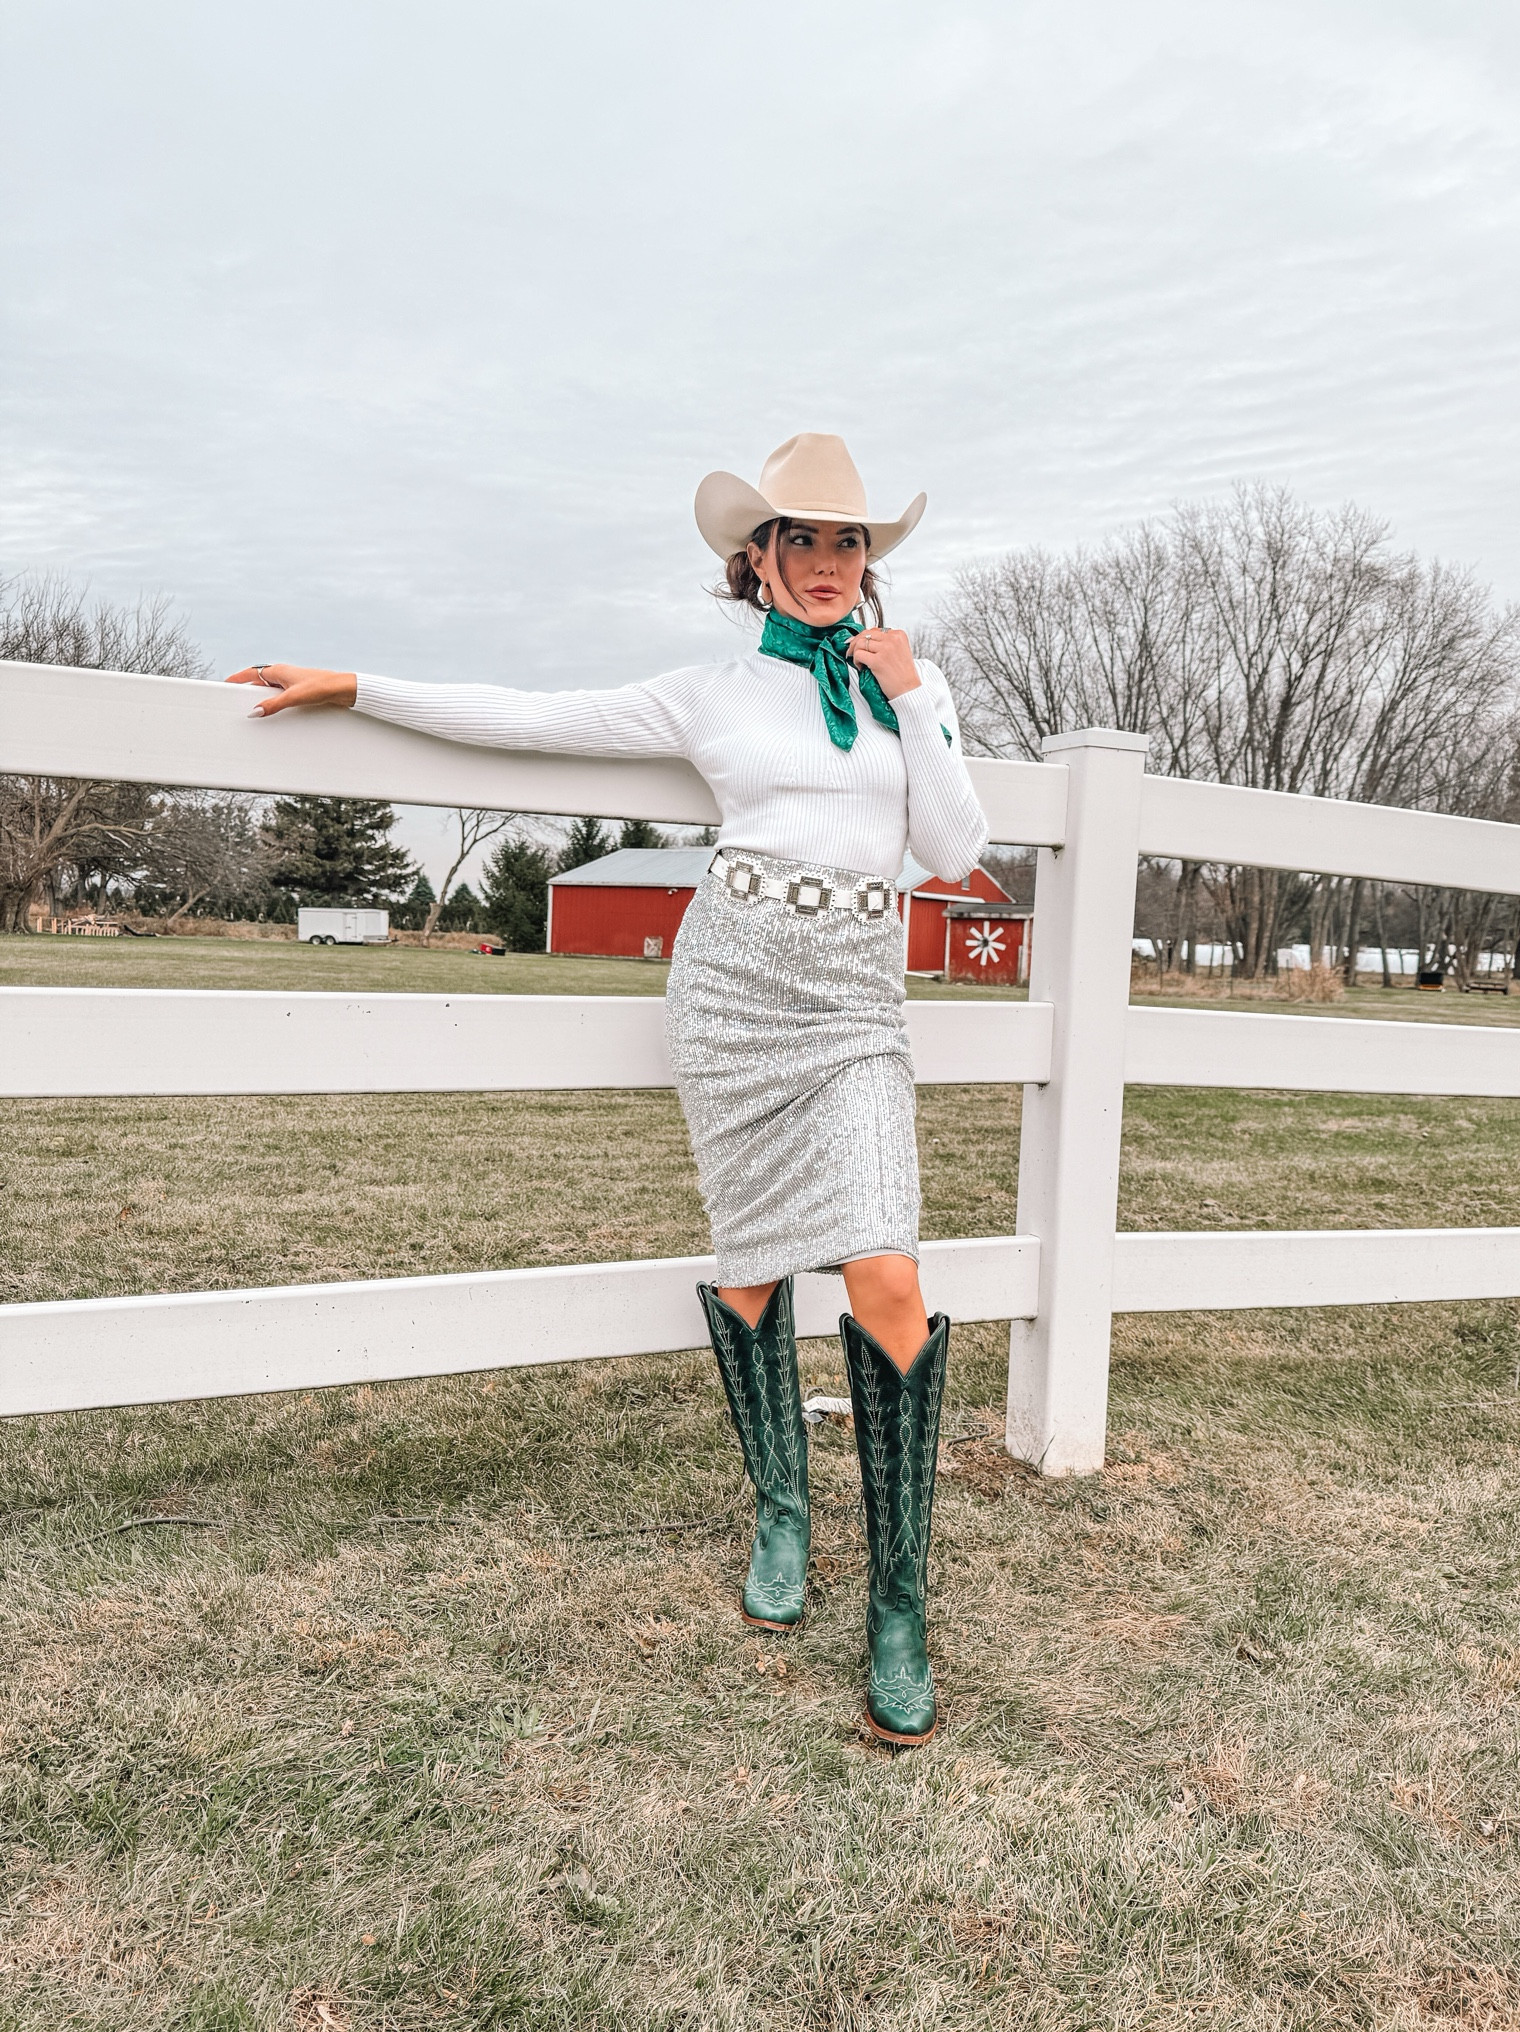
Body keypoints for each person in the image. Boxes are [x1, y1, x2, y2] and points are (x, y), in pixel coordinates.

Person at [231, 433, 989, 1745]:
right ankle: (783, 1514)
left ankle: (900, 1606)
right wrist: (358, 684)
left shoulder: (906, 689)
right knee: (752, 1268)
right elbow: (534, 720)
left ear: (868, 560)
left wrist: (913, 695)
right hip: (736, 996)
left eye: (847, 541)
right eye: (800, 539)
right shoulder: (710, 691)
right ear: (756, 559)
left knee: (886, 1274)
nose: (825, 561)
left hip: (857, 1003)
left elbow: (956, 846)